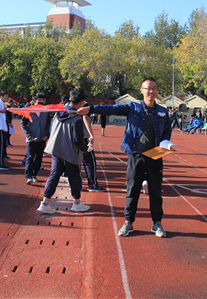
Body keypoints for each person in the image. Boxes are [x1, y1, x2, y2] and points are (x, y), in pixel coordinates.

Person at [78, 78, 172, 238]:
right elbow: (112, 109)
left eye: (154, 88)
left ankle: (157, 223)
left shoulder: (163, 111)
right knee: (132, 190)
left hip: (155, 157)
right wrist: (91, 109)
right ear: (141, 90)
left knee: (156, 192)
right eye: (148, 88)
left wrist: (163, 149)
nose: (151, 91)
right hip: (136, 155)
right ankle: (128, 222)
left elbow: (167, 133)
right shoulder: (133, 107)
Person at [37, 88, 90, 214]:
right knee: (75, 178)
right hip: (70, 152)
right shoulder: (76, 119)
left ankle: (45, 203)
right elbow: (77, 139)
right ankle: (77, 203)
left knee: (54, 175)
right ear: (82, 102)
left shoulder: (58, 113)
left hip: (56, 149)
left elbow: (51, 129)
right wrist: (85, 148)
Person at [21, 93, 51, 184]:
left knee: (39, 158)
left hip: (42, 139)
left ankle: (34, 175)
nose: (41, 101)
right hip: (31, 139)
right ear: (34, 100)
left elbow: (48, 124)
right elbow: (23, 124)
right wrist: (28, 135)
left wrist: (47, 134)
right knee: (30, 157)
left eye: (43, 100)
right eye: (39, 100)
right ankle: (28, 176)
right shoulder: (29, 110)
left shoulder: (46, 111)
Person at [82, 102, 105, 192]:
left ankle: (76, 185)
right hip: (83, 138)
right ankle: (92, 185)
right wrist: (90, 135)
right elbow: (85, 118)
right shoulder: (84, 106)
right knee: (90, 162)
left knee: (74, 163)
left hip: (72, 138)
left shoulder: (68, 106)